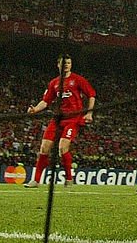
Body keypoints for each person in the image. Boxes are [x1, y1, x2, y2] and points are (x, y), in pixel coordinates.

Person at [24, 53, 95, 188]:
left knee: (62, 147)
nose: (66, 65)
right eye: (64, 63)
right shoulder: (54, 83)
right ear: (58, 65)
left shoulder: (78, 80)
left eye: (68, 63)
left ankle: (68, 179)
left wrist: (89, 113)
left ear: (71, 65)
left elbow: (91, 94)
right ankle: (36, 181)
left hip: (73, 119)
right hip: (57, 119)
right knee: (44, 148)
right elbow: (46, 101)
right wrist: (35, 110)